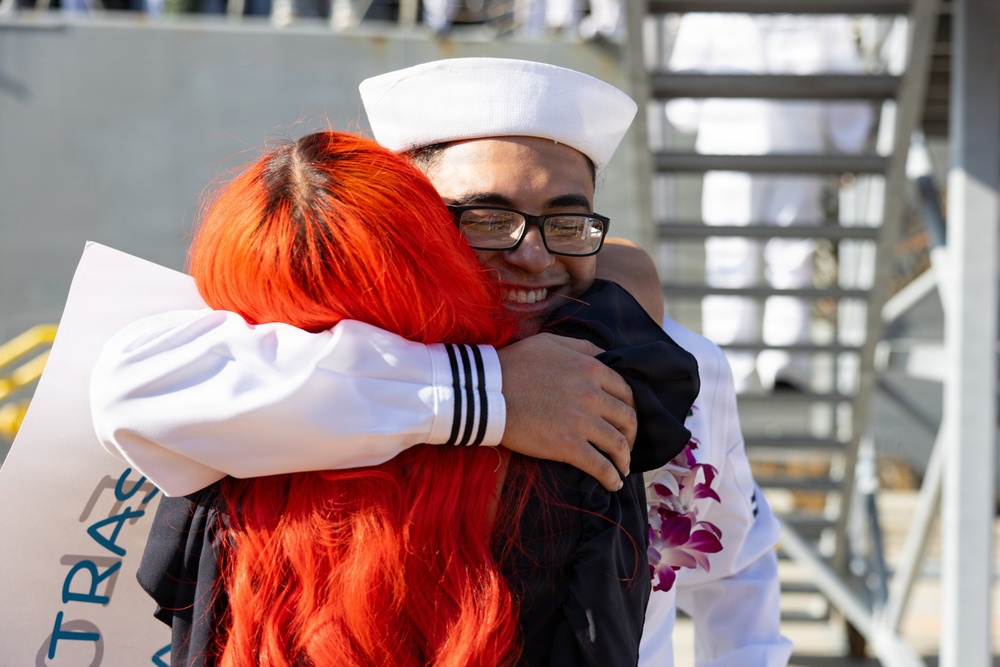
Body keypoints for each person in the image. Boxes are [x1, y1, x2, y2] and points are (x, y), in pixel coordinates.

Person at [92, 58, 792, 665]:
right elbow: (132, 389)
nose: (534, 255)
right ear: (413, 220)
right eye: (486, 219)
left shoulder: (675, 367)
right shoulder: (320, 347)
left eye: (565, 221)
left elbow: (737, 561)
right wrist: (488, 393)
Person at [667, 13, 874, 393]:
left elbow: (682, 107)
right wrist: (849, 146)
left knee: (733, 257)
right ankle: (784, 365)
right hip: (796, 143)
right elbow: (842, 76)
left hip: (731, 142)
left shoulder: (707, 10)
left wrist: (849, 145)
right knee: (788, 256)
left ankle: (730, 370)